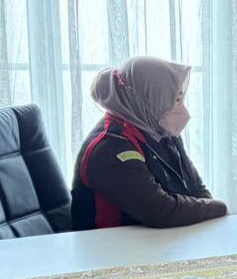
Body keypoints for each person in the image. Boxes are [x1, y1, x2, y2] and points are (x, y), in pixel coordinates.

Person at [72, 56, 227, 230]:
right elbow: (160, 211)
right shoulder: (108, 148)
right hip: (114, 245)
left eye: (181, 98)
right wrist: (218, 208)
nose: (182, 109)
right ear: (149, 100)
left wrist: (212, 215)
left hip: (161, 239)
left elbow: (195, 186)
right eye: (176, 100)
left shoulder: (159, 128)